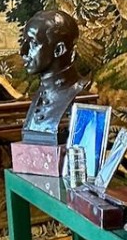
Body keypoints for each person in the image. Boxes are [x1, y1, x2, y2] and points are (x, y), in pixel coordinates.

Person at [19, 9, 91, 143]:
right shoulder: (40, 93)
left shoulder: (82, 97)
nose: (23, 51)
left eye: (33, 43)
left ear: (58, 50)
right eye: (24, 42)